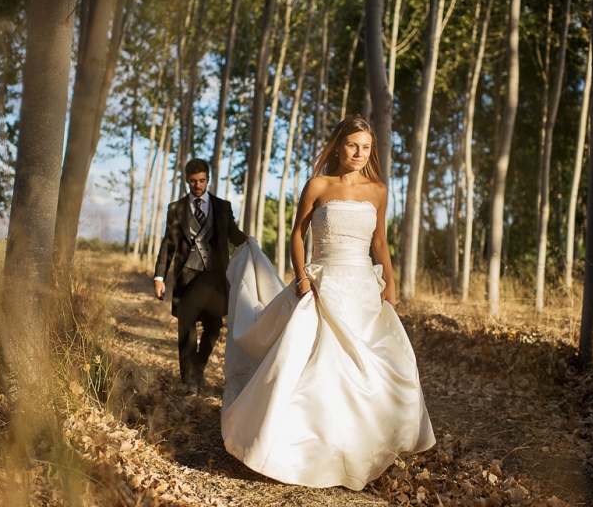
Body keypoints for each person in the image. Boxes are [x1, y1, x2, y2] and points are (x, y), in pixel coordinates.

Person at [221, 116, 435, 490]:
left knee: (371, 367)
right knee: (311, 366)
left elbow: (380, 243)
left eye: (365, 147)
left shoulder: (378, 191)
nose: (359, 153)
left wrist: (391, 285)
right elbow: (298, 233)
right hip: (321, 285)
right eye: (352, 145)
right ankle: (299, 449)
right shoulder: (318, 185)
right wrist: (302, 276)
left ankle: (358, 445)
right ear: (338, 145)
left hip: (364, 289)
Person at [153, 158, 247, 396]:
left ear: (208, 179)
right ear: (187, 180)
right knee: (186, 329)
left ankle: (197, 368)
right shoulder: (176, 208)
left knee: (214, 327)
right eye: (193, 181)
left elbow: (234, 235)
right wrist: (159, 277)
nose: (198, 185)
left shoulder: (223, 207)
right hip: (187, 277)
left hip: (215, 277)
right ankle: (189, 381)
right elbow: (169, 244)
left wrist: (251, 245)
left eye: (202, 180)